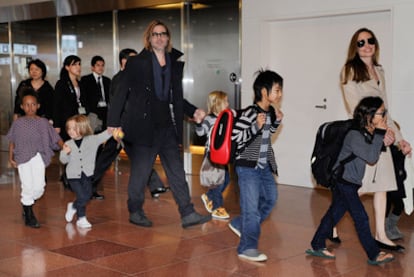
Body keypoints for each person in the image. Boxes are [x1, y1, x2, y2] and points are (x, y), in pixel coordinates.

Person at [107, 19, 210, 228]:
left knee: (176, 171)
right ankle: (135, 210)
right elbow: (121, 92)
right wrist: (113, 122)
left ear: (168, 38)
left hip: (167, 127)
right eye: (155, 34)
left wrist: (193, 111)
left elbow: (175, 97)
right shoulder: (137, 62)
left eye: (163, 34)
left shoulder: (173, 62)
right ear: (149, 38)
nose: (160, 37)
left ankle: (187, 213)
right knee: (141, 172)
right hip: (144, 127)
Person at [339, 27, 412, 251]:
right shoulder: (349, 70)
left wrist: (400, 139)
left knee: (382, 186)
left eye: (370, 40)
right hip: (367, 137)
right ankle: (331, 221)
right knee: (357, 187)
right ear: (355, 47)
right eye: (361, 42)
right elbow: (356, 109)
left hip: (384, 137)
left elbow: (385, 110)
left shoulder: (379, 70)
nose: (366, 45)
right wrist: (379, 131)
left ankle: (381, 234)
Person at [306, 96, 395, 265]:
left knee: (334, 214)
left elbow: (372, 152)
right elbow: (371, 158)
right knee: (361, 217)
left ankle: (317, 243)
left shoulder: (365, 133)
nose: (384, 117)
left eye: (385, 112)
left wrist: (381, 137)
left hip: (350, 182)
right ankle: (374, 254)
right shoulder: (354, 135)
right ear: (369, 116)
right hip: (343, 181)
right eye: (381, 113)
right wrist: (380, 134)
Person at [92, 48, 170, 200]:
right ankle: (87, 186)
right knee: (110, 158)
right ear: (124, 61)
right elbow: (116, 105)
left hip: (128, 127)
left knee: (133, 157)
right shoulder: (120, 79)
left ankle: (155, 186)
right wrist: (117, 126)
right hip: (121, 128)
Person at [228, 69, 283, 262]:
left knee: (270, 199)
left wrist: (276, 122)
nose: (280, 94)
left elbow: (266, 137)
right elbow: (237, 138)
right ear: (264, 92)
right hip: (247, 167)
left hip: (264, 167)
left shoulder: (269, 113)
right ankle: (247, 247)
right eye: (277, 90)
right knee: (251, 208)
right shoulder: (250, 113)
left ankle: (240, 223)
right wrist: (254, 127)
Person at [7, 88, 63, 228]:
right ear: (21, 106)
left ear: (38, 106)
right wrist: (11, 158)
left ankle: (27, 203)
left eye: (33, 104)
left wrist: (66, 147)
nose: (30, 107)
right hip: (22, 157)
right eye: (26, 104)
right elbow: (12, 141)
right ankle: (29, 214)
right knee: (27, 186)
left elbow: (55, 138)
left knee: (39, 188)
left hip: (38, 156)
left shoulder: (44, 122)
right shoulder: (18, 123)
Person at [60, 115, 113, 229]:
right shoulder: (68, 143)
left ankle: (73, 206)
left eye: (74, 128)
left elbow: (104, 135)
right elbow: (63, 160)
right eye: (69, 128)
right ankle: (81, 218)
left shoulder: (92, 140)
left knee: (87, 195)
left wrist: (112, 130)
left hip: (87, 174)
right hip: (73, 176)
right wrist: (65, 153)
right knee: (81, 195)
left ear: (83, 128)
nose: (71, 131)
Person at [196, 90, 231, 220]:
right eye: (226, 101)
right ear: (218, 103)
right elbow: (200, 133)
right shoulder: (209, 119)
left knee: (226, 179)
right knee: (217, 182)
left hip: (223, 154)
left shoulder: (225, 117)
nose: (228, 103)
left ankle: (209, 196)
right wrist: (199, 123)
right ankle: (217, 208)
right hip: (212, 154)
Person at [53, 55, 86, 190]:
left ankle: (74, 176)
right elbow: (56, 105)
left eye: (79, 64)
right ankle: (69, 177)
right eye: (74, 64)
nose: (78, 67)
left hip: (80, 122)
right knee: (70, 150)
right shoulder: (61, 84)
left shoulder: (81, 83)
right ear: (67, 67)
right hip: (67, 122)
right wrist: (57, 125)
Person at [385, 121, 407, 240]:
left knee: (399, 205)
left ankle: (391, 226)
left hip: (398, 181)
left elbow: (400, 164)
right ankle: (384, 229)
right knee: (386, 205)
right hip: (388, 180)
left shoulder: (399, 146)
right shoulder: (387, 147)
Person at [81, 55, 111, 132]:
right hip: (92, 112)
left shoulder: (107, 80)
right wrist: (87, 112)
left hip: (105, 111)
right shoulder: (86, 80)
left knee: (104, 135)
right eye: (98, 65)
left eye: (102, 65)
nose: (100, 67)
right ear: (92, 67)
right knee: (92, 135)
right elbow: (83, 97)